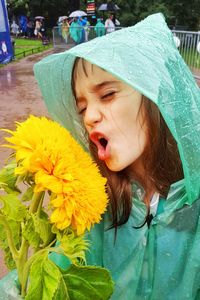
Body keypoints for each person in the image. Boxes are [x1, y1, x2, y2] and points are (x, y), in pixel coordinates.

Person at [1, 13, 200, 300]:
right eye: (82, 109)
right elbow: (62, 271)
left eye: (107, 95)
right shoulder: (95, 205)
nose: (90, 117)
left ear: (153, 96)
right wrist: (22, 286)